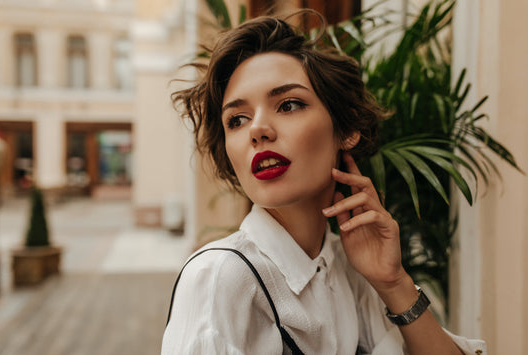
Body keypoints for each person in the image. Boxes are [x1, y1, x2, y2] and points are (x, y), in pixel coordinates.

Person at [162, 11, 487, 355]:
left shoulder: (348, 268)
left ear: (345, 130)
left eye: (288, 105)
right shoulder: (219, 278)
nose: (257, 129)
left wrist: (393, 283)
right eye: (237, 119)